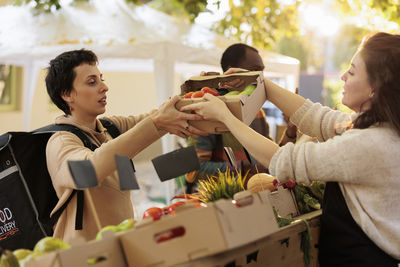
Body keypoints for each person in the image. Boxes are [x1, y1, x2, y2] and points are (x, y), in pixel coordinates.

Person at [181, 32, 400, 266]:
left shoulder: (372, 144)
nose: (344, 76)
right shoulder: (380, 131)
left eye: (353, 71)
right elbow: (317, 117)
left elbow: (283, 160)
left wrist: (225, 117)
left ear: (376, 88)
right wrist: (258, 81)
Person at [45, 49, 207, 242]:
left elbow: (159, 116)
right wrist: (157, 124)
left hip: (124, 247)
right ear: (67, 94)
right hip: (86, 256)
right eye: (92, 82)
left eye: (101, 79)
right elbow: (88, 171)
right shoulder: (60, 142)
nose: (104, 87)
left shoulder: (110, 128)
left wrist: (196, 93)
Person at [186, 43, 292, 189]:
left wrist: (291, 131)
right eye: (255, 70)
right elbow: (194, 170)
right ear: (231, 71)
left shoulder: (257, 112)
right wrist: (244, 169)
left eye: (262, 71)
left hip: (257, 199)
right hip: (224, 205)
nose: (260, 77)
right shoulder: (207, 109)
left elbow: (272, 159)